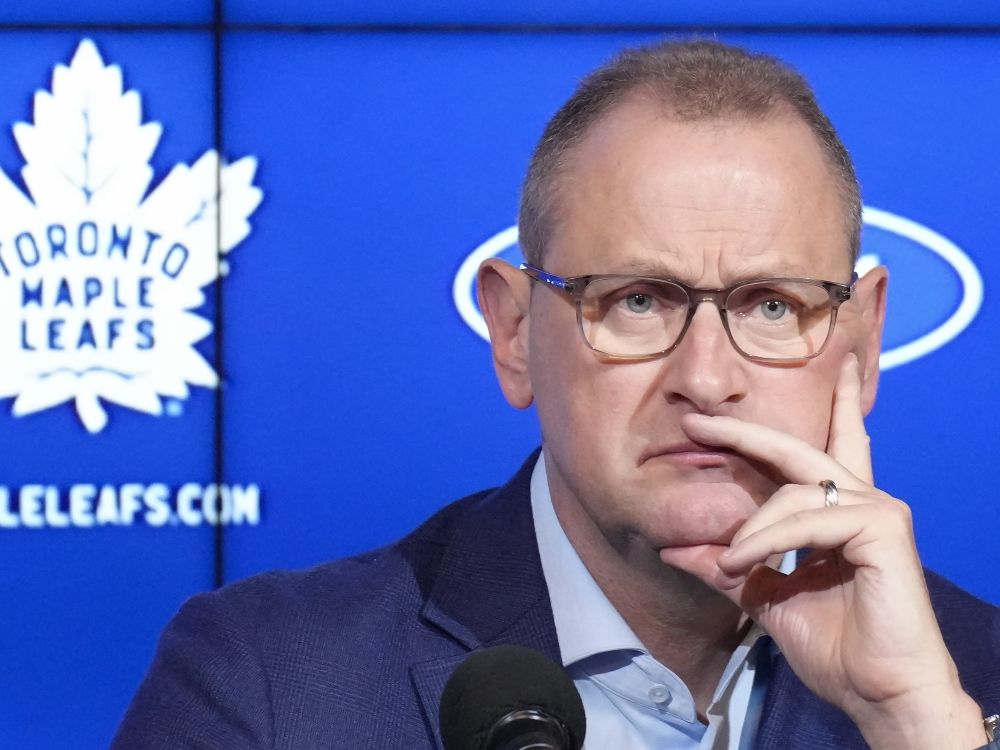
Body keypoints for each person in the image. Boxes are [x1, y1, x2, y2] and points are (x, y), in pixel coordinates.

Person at [112, 39, 1000, 750]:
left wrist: (914, 727)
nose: (707, 378)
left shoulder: (971, 686)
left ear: (863, 341)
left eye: (772, 305)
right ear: (512, 335)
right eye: (637, 301)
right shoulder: (268, 685)